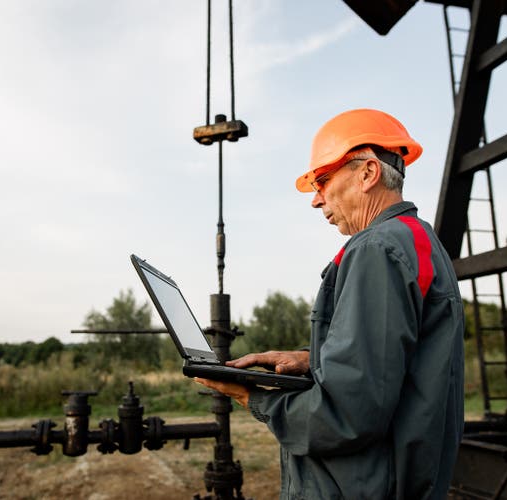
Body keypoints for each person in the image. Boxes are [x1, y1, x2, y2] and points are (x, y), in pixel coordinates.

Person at [196, 108, 464, 500]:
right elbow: (402, 359)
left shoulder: (376, 249)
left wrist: (253, 397)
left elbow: (346, 416)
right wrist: (312, 359)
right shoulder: (416, 240)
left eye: (322, 181)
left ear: (368, 173)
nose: (316, 200)